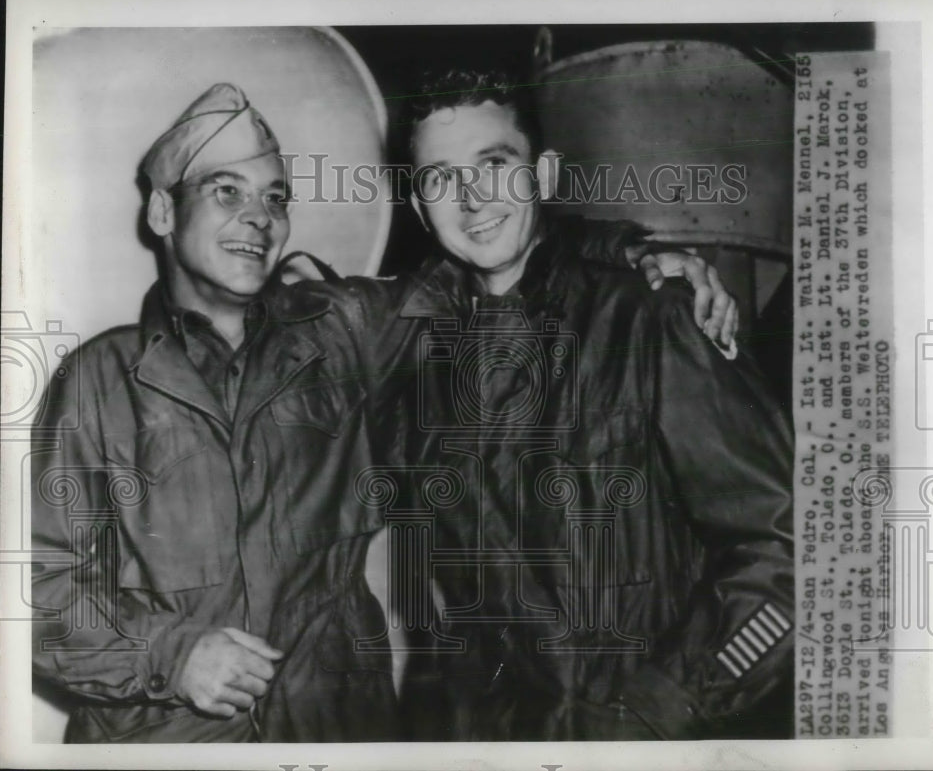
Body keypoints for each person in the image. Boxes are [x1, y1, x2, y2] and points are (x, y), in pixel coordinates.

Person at [30, 81, 735, 743]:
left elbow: (490, 256)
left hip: (336, 734)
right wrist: (171, 653)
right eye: (226, 191)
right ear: (161, 212)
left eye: (276, 198)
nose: (258, 216)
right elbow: (36, 593)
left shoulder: (342, 336)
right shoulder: (98, 380)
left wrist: (638, 252)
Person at [376, 69, 796, 740]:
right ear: (421, 206)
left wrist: (665, 705)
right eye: (440, 178)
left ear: (542, 174)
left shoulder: (649, 316)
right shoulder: (415, 358)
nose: (472, 198)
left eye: (494, 165)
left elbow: (784, 550)